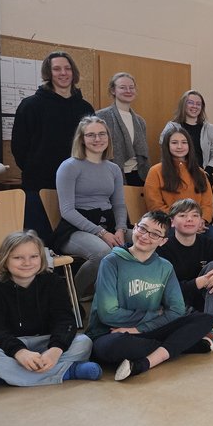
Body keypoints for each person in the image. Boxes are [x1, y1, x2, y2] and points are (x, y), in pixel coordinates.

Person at [87, 211, 213, 382]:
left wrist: (139, 329)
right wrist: (155, 314)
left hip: (147, 330)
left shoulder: (165, 267)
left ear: (163, 241)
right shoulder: (111, 262)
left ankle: (147, 362)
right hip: (111, 333)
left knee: (205, 319)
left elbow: (176, 310)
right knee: (113, 347)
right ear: (135, 228)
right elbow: (108, 314)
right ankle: (182, 345)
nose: (145, 236)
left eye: (155, 234)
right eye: (142, 229)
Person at [0, 231, 101, 392]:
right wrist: (19, 352)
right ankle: (68, 372)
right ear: (5, 260)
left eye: (34, 256)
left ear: (41, 258)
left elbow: (65, 320)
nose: (27, 262)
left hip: (47, 342)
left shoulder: (54, 283)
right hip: (11, 346)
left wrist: (55, 350)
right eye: (18, 257)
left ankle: (0, 376)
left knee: (84, 342)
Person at [12, 51, 95, 241]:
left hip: (77, 188)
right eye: (57, 69)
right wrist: (36, 168)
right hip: (39, 187)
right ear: (48, 73)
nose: (63, 73)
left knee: (74, 242)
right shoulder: (30, 105)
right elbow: (19, 147)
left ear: (73, 72)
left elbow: (91, 146)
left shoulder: (85, 108)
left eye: (67, 68)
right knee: (39, 242)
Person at [52, 116, 128, 299]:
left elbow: (119, 204)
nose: (97, 139)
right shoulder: (69, 166)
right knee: (102, 253)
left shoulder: (114, 168)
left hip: (109, 224)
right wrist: (101, 233)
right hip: (75, 229)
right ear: (81, 139)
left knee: (149, 239)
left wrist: (121, 229)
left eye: (102, 134)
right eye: (91, 135)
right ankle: (71, 297)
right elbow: (67, 210)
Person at [157, 199, 213, 345]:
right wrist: (199, 282)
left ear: (201, 221)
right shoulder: (163, 248)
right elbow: (166, 291)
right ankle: (210, 324)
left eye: (195, 215)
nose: (189, 219)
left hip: (206, 301)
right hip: (178, 303)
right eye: (183, 215)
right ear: (172, 222)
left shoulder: (210, 244)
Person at [144, 124, 213, 246]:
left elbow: (207, 203)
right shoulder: (155, 171)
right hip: (169, 224)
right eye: (174, 143)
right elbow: (155, 205)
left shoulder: (200, 172)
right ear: (167, 146)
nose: (179, 146)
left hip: (197, 223)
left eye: (184, 142)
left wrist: (201, 220)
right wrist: (181, 221)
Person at [96, 72, 149, 186]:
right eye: (123, 87)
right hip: (111, 174)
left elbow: (142, 153)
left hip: (138, 175)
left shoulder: (140, 121)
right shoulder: (101, 117)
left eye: (131, 87)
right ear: (113, 90)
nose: (128, 91)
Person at [164, 90, 213, 182]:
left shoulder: (210, 129)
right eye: (190, 102)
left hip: (203, 177)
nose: (194, 106)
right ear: (183, 105)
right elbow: (165, 150)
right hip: (177, 177)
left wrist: (207, 172)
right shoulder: (171, 127)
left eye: (198, 104)